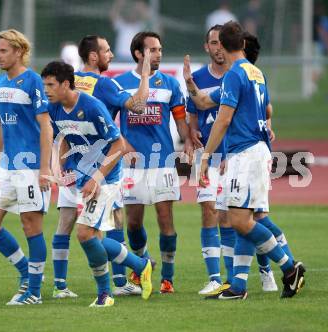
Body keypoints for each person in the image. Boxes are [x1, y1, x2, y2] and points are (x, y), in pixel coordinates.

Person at [199, 21, 305, 300]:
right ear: (243, 44)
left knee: (240, 220)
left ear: (220, 45)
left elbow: (223, 119)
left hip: (245, 152)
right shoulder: (257, 72)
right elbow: (267, 108)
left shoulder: (234, 74)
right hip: (258, 149)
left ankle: (289, 267)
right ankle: (239, 285)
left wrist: (206, 156)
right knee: (244, 216)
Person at [41, 61, 153, 307]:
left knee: (83, 233)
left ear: (66, 84)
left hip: (106, 177)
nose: (46, 90)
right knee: (95, 238)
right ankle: (141, 265)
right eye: (44, 85)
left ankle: (106, 294)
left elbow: (119, 145)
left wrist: (97, 177)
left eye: (50, 85)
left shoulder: (92, 107)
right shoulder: (55, 108)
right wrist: (60, 167)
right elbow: (65, 138)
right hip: (83, 176)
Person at [114, 31, 193, 293]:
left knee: (164, 219)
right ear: (138, 53)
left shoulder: (170, 84)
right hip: (132, 166)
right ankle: (142, 264)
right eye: (153, 50)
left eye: (160, 49)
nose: (158, 54)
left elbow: (181, 123)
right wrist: (123, 147)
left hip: (163, 163)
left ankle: (167, 278)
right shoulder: (121, 83)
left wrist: (188, 142)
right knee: (133, 222)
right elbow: (111, 125)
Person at [0, 29, 53, 305]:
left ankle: (33, 292)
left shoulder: (34, 81)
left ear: (19, 51)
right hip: (7, 167)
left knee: (30, 226)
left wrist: (45, 168)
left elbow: (46, 124)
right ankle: (27, 272)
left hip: (32, 166)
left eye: (3, 50)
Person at [184, 24, 232, 297]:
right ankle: (215, 278)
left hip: (235, 155)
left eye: (221, 42)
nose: (217, 47)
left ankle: (239, 275)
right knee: (209, 211)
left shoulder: (237, 75)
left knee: (231, 216)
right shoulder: (198, 77)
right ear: (207, 46)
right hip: (207, 157)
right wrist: (191, 135)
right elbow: (193, 112)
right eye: (213, 42)